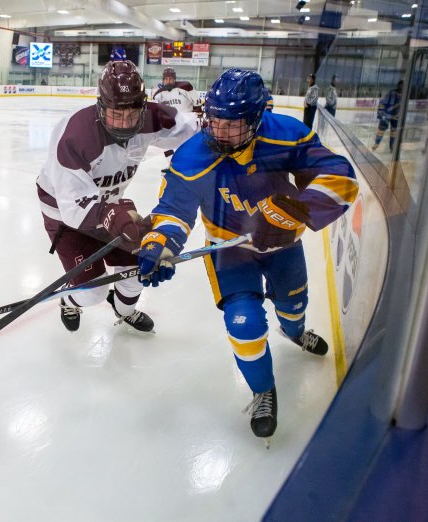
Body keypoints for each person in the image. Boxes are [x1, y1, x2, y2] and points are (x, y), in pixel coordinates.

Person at [137, 68, 358, 439]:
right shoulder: (193, 156)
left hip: (284, 247)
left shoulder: (287, 135)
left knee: (293, 307)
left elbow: (341, 176)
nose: (219, 132)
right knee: (245, 323)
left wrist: (300, 207)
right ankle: (262, 391)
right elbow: (173, 209)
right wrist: (159, 244)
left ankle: (295, 330)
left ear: (256, 119)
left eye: (231, 124)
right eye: (215, 120)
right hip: (229, 251)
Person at [36, 60, 199, 333]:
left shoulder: (152, 117)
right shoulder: (75, 136)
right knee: (92, 292)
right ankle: (69, 299)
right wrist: (111, 214)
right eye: (116, 114)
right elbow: (73, 208)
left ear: (143, 107)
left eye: (132, 114)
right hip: (64, 213)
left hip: (110, 207)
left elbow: (195, 129)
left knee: (135, 272)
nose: (125, 124)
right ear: (101, 106)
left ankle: (125, 311)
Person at [372, 80, 402, 152]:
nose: (402, 87)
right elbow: (382, 102)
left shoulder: (404, 95)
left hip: (396, 116)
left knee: (394, 132)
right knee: (381, 130)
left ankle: (392, 146)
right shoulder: (391, 93)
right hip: (386, 115)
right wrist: (380, 113)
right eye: (401, 85)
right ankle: (376, 144)